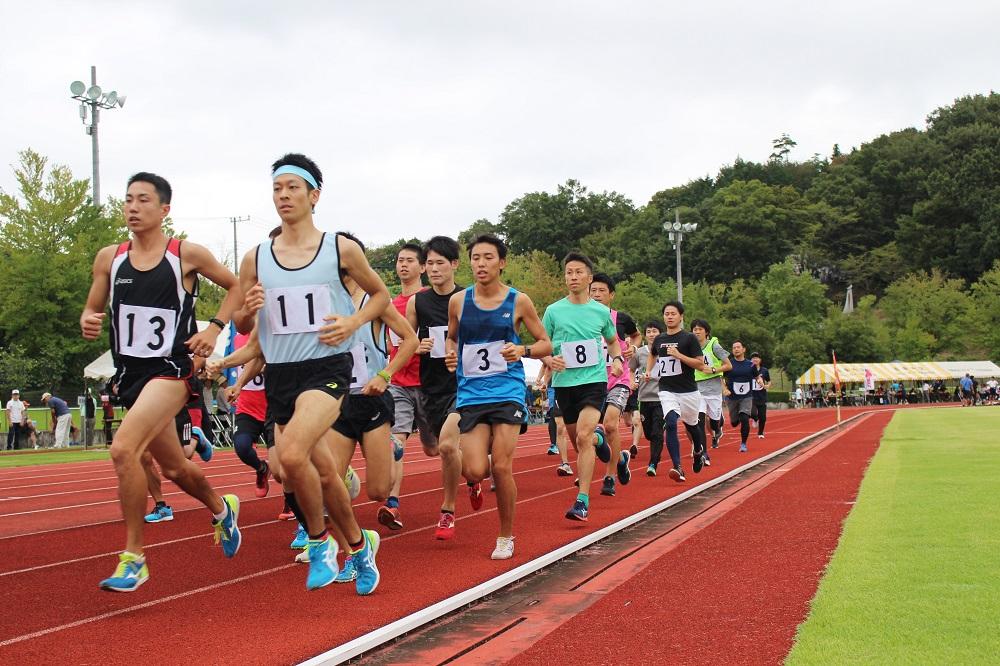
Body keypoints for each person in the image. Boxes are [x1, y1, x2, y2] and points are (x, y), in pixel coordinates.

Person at [79, 171, 245, 592]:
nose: (133, 207)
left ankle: (134, 557)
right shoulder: (109, 258)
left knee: (123, 449)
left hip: (171, 370)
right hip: (130, 376)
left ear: (164, 209)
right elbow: (93, 307)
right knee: (173, 466)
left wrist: (213, 329)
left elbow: (237, 285)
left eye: (143, 200)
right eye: (128, 200)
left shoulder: (185, 255)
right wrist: (88, 318)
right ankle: (222, 508)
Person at [236, 153, 390, 591]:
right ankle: (361, 550)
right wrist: (247, 312)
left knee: (288, 457)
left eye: (292, 188)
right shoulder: (256, 257)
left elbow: (380, 296)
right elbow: (247, 329)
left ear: (313, 195)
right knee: (324, 473)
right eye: (277, 188)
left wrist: (353, 322)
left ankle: (320, 543)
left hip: (327, 369)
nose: (283, 195)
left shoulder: (339, 248)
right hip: (282, 373)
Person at [445, 234, 551, 559]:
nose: (481, 263)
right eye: (476, 258)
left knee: (502, 467)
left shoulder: (519, 301)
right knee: (475, 469)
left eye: (488, 257)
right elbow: (450, 339)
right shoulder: (458, 302)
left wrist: (523, 349)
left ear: (501, 262)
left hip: (507, 390)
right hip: (471, 394)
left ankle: (506, 536)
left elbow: (546, 343)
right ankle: (477, 478)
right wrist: (450, 354)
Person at [542, 252, 622, 521]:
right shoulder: (553, 311)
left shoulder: (601, 312)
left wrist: (618, 359)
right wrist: (548, 359)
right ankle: (602, 442)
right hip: (565, 384)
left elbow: (612, 341)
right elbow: (544, 344)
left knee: (583, 436)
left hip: (594, 381)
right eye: (568, 273)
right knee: (582, 440)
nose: (573, 277)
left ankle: (582, 501)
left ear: (589, 277)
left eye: (578, 272)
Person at [405, 236, 467, 540]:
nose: (433, 269)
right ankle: (475, 476)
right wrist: (419, 345)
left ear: (454, 264)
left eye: (440, 263)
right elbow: (406, 340)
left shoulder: (468, 298)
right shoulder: (418, 300)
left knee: (445, 446)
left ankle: (447, 511)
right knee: (449, 452)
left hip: (465, 385)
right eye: (429, 263)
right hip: (431, 387)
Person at [378, 243, 427, 531]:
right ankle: (392, 503)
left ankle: (473, 475)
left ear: (423, 267)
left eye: (410, 260)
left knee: (436, 448)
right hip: (399, 383)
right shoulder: (388, 305)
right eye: (399, 260)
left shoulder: (430, 300)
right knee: (397, 443)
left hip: (431, 385)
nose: (403, 265)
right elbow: (387, 343)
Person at [588, 273, 641, 497]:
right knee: (588, 432)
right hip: (590, 381)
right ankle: (620, 459)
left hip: (618, 380)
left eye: (602, 291)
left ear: (611, 295)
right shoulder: (582, 319)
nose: (597, 295)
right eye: (593, 291)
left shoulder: (621, 318)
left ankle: (609, 477)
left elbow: (636, 336)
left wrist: (633, 348)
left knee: (610, 425)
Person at [646, 302, 710, 481]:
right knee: (671, 423)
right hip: (667, 390)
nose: (670, 316)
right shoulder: (659, 339)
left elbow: (700, 364)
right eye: (666, 313)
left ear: (681, 316)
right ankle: (677, 467)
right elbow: (653, 354)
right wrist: (649, 370)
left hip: (688, 391)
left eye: (673, 313)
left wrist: (679, 356)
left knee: (692, 426)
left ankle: (698, 450)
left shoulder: (689, 338)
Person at [691, 319, 732, 458]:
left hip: (714, 389)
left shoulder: (714, 345)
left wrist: (714, 369)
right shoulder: (690, 347)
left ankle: (718, 428)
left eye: (700, 329)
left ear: (706, 332)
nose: (697, 331)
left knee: (714, 423)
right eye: (694, 329)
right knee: (699, 422)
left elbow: (728, 365)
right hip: (698, 389)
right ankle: (704, 453)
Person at [630, 322, 665, 476]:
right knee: (649, 434)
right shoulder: (640, 353)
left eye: (654, 331)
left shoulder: (667, 351)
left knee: (657, 433)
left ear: (660, 333)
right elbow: (630, 370)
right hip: (644, 398)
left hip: (662, 397)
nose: (651, 334)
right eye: (649, 331)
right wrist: (632, 381)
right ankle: (656, 449)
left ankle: (653, 463)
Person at [724, 341, 758, 453]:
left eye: (738, 347)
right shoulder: (729, 364)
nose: (736, 349)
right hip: (732, 397)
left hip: (746, 396)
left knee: (744, 418)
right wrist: (724, 388)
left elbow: (757, 376)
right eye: (734, 348)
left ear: (744, 349)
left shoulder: (751, 364)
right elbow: (720, 377)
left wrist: (761, 381)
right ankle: (736, 418)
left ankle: (743, 444)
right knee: (734, 422)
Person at [749, 352, 771, 439]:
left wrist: (767, 386)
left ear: (760, 360)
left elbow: (769, 381)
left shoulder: (764, 370)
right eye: (753, 358)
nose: (755, 359)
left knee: (763, 417)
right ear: (751, 360)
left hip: (761, 396)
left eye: (757, 357)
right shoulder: (748, 369)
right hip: (751, 396)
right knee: (752, 413)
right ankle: (755, 419)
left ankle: (760, 433)